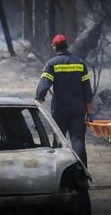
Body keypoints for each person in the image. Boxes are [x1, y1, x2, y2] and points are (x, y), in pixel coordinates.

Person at [35, 34, 93, 167]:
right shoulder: (80, 63)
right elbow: (87, 91)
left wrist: (38, 102)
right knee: (78, 141)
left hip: (59, 111)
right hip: (78, 110)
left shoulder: (52, 63)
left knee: (58, 142)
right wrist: (89, 114)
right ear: (66, 45)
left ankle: (56, 172)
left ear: (55, 47)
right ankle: (82, 174)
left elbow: (44, 85)